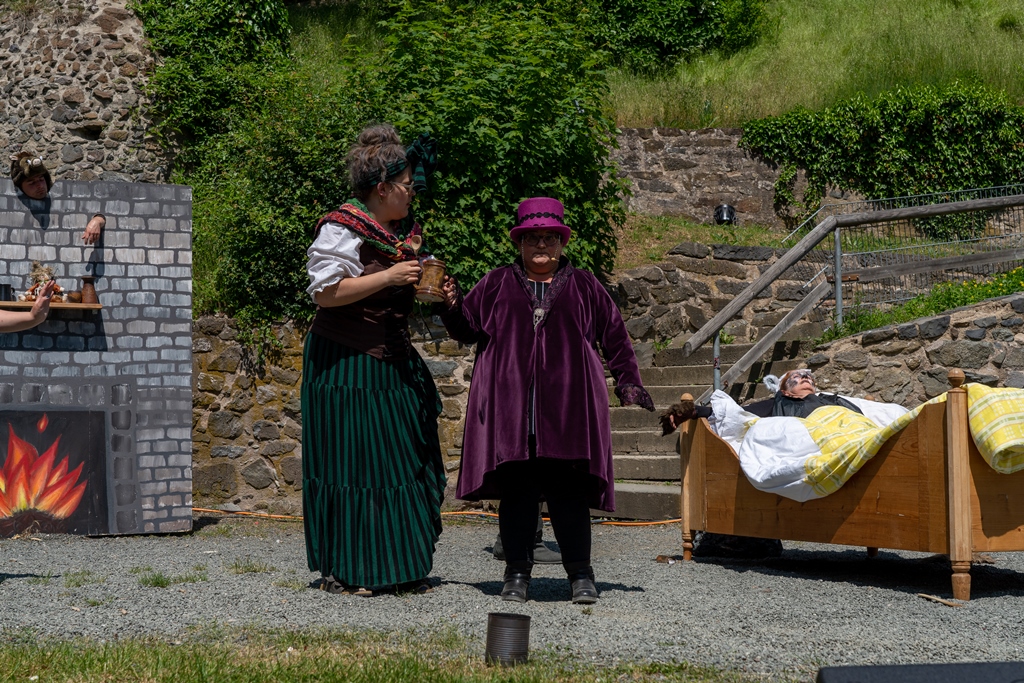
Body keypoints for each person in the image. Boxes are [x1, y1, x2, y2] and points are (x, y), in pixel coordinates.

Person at [440, 197, 655, 604]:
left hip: (570, 410)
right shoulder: (496, 283)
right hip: (511, 411)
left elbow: (615, 336)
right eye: (532, 238)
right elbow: (467, 328)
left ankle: (581, 575)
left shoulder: (585, 285)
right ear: (519, 243)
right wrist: (451, 305)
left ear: (562, 242)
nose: (541, 245)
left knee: (568, 494)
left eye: (550, 237)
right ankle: (516, 574)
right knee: (517, 494)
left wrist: (628, 382)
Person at [301, 124, 444, 596]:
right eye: (405, 185)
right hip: (346, 362)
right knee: (356, 462)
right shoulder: (343, 226)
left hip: (391, 359)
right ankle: (354, 570)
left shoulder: (398, 232)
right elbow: (326, 293)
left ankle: (401, 566)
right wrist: (388, 278)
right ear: (382, 189)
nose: (412, 191)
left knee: (402, 456)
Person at [661, 367, 862, 434]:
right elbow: (736, 415)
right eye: (797, 376)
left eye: (808, 377)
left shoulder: (830, 400)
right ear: (785, 391)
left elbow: (859, 418)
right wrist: (690, 411)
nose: (805, 377)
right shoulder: (777, 404)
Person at [10, 152, 104, 244]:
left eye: (41, 179)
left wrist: (97, 220)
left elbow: (102, 212)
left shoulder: (68, 198)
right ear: (20, 187)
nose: (40, 186)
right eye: (32, 183)